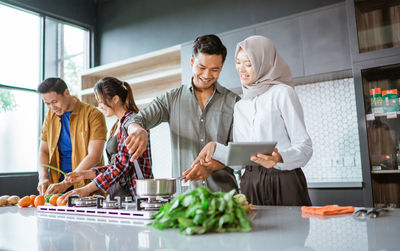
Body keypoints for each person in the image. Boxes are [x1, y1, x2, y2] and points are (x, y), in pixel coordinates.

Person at [185, 35, 313, 206]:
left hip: (283, 180)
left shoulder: (282, 93)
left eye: (248, 63)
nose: (241, 69)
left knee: (292, 231)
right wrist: (215, 147)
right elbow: (240, 162)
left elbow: (305, 147)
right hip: (250, 183)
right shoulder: (241, 105)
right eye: (238, 62)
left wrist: (280, 158)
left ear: (263, 62)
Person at [124, 34, 240, 192]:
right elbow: (136, 119)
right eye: (201, 67)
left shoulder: (234, 102)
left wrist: (211, 167)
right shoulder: (171, 98)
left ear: (222, 65)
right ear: (192, 61)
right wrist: (138, 130)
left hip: (224, 198)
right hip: (184, 199)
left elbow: (238, 152)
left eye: (214, 69)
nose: (207, 75)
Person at [64, 77, 153, 199]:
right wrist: (85, 174)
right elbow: (115, 165)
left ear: (115, 99)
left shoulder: (131, 123)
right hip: (119, 195)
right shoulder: (117, 125)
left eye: (101, 102)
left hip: (134, 196)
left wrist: (86, 189)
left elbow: (121, 167)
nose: (99, 106)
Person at [37, 78, 107, 195]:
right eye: (47, 104)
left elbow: (95, 156)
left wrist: (66, 184)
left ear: (66, 93)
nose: (52, 107)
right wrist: (43, 177)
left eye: (54, 101)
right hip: (57, 186)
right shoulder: (50, 117)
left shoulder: (94, 115)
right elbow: (43, 151)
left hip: (86, 187)